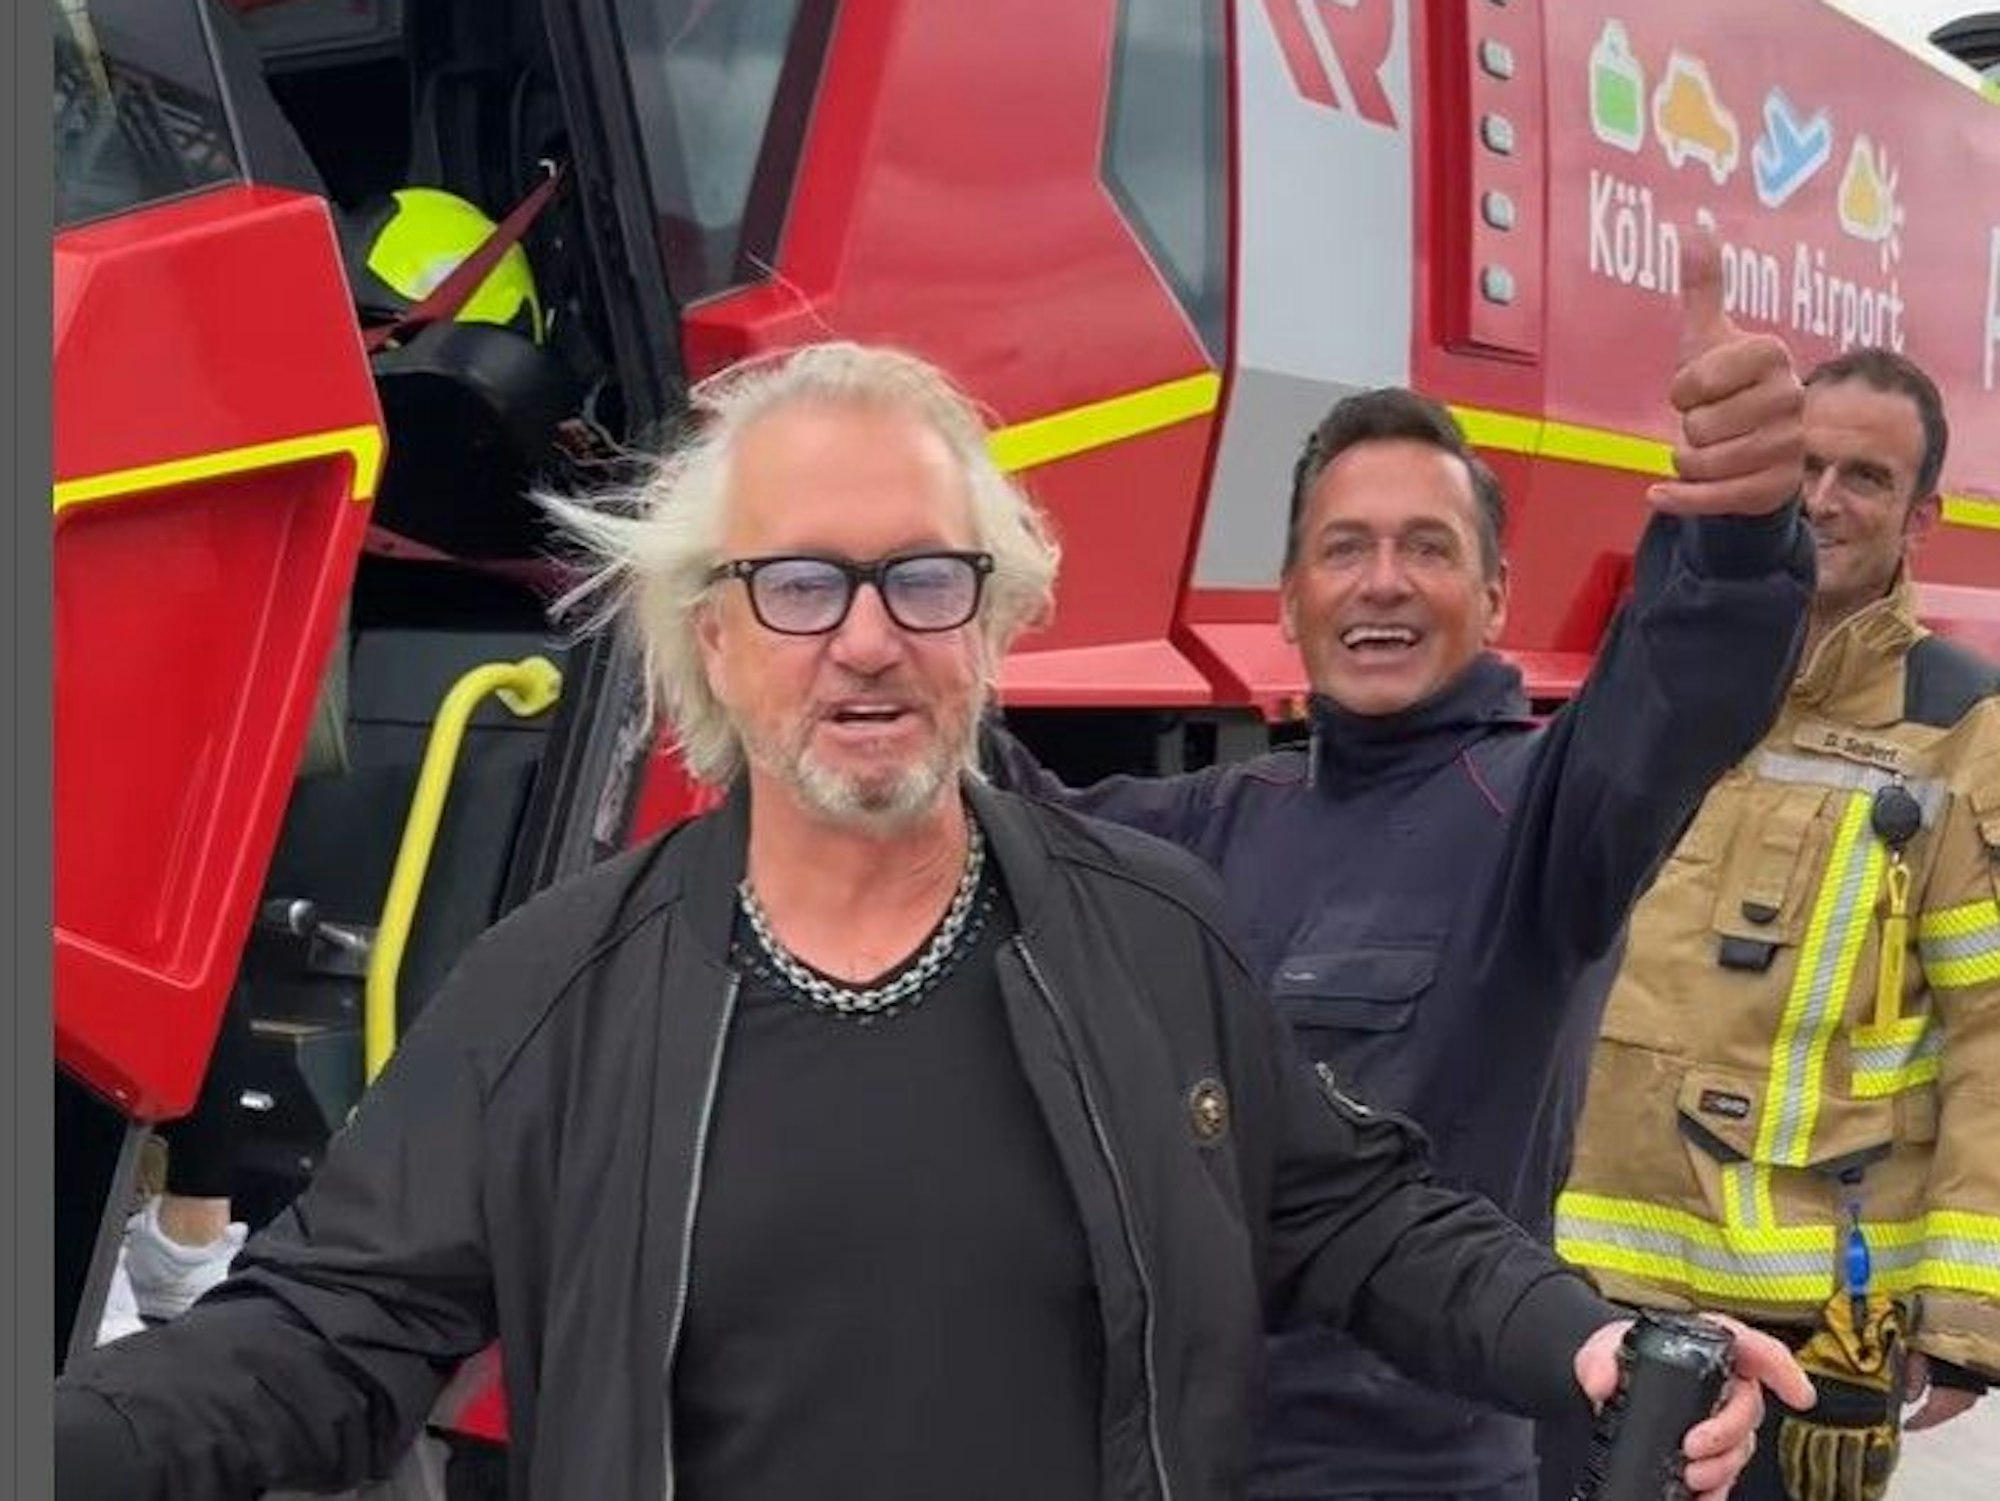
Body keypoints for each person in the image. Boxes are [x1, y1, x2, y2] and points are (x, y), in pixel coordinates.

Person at [53, 342, 1808, 1501]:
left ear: (993, 620)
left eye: (923, 577)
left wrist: (1574, 1336)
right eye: (800, 584)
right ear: (713, 637)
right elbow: (322, 1335)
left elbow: (1350, 1209)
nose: (869, 637)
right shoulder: (551, 991)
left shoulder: (1150, 932)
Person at [980, 240, 1818, 1498]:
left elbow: (1678, 694)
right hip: (1182, 1458)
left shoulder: (1542, 815)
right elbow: (1000, 823)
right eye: (1344, 549)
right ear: (1287, 599)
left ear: (1494, 596)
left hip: (1419, 1471)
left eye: (1426, 547)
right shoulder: (1207, 818)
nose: (1381, 582)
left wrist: (1741, 536)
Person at [1548, 346, 2000, 1501]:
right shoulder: (1654, 673)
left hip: (1804, 1333)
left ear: (1919, 517)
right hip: (1573, 1283)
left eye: (1864, 477)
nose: (1821, 499)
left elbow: (1990, 1034)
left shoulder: (1962, 730)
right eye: (1803, 465)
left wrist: (1960, 1318)